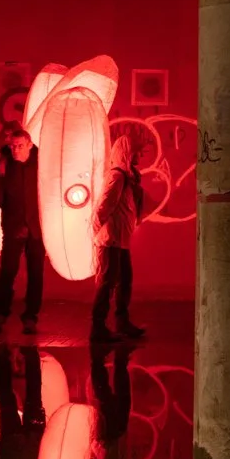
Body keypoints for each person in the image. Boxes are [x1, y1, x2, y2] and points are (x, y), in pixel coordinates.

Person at [0, 129, 45, 335]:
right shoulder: (3, 166)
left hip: (37, 228)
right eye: (12, 146)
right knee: (8, 271)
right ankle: (0, 314)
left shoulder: (42, 163)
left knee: (36, 273)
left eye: (19, 146)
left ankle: (30, 316)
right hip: (13, 227)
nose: (15, 150)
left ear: (29, 145)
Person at [91, 136, 146, 342]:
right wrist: (96, 234)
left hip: (120, 241)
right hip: (111, 240)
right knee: (108, 283)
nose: (139, 156)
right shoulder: (117, 177)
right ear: (126, 153)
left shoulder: (129, 178)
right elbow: (103, 207)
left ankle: (121, 323)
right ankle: (98, 328)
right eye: (136, 151)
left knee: (124, 281)